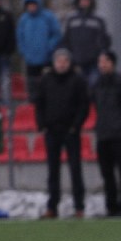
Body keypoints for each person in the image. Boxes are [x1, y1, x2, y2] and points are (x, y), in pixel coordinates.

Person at [34, 48, 89, 218]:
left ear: (69, 62)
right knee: (53, 171)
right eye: (59, 60)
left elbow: (84, 105)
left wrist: (76, 126)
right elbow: (39, 104)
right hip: (52, 131)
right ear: (54, 62)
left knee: (75, 169)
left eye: (65, 60)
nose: (62, 63)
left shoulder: (78, 80)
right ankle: (52, 207)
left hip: (71, 131)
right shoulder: (46, 80)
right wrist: (42, 124)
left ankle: (79, 207)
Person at [91, 50, 121, 216]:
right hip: (103, 135)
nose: (102, 65)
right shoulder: (97, 84)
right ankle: (111, 207)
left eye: (105, 61)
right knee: (107, 174)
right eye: (100, 61)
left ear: (112, 63)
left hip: (120, 136)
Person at [16, 0, 62, 100]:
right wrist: (24, 51)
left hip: (46, 57)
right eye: (29, 5)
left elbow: (57, 34)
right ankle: (32, 104)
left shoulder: (48, 17)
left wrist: (49, 47)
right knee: (32, 84)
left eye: (33, 4)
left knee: (48, 83)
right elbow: (19, 37)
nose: (31, 7)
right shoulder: (24, 19)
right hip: (30, 59)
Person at [60, 0, 111, 86]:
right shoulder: (70, 19)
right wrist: (68, 54)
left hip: (94, 60)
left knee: (94, 85)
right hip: (76, 60)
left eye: (87, 0)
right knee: (78, 87)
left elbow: (105, 39)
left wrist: (101, 52)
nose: (84, 3)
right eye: (82, 0)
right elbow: (65, 39)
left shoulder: (98, 19)